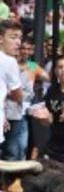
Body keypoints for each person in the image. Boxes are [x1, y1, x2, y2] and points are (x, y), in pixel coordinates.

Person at [0, 21, 23, 157]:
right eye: (13, 37)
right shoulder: (9, 62)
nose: (18, 42)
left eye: (20, 38)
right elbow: (18, 95)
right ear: (1, 38)